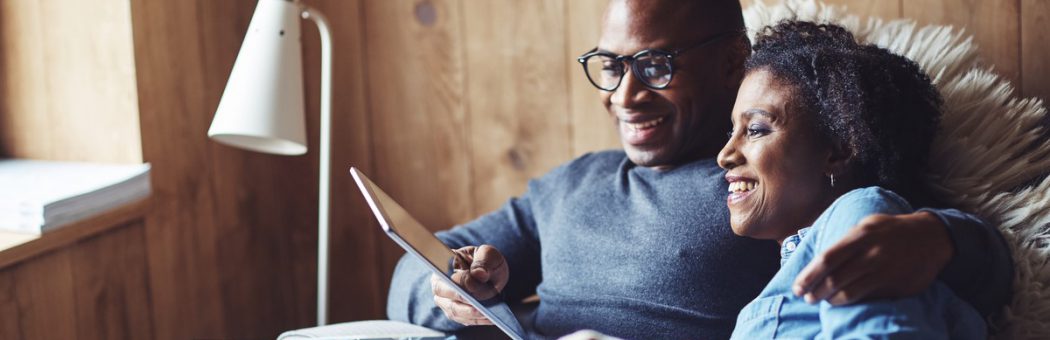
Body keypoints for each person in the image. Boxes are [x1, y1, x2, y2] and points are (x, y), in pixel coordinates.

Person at [387, 1, 1013, 338]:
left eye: (656, 65)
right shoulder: (568, 185)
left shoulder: (775, 182)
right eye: (611, 66)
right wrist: (450, 284)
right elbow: (407, 283)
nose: (624, 95)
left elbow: (956, 251)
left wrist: (940, 236)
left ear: (730, 61)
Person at [718, 21, 993, 339]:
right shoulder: (791, 272)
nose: (724, 155)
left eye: (754, 129)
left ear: (838, 150)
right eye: (731, 131)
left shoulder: (861, 213)